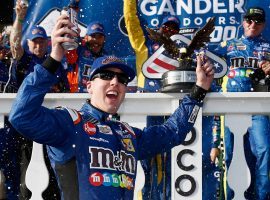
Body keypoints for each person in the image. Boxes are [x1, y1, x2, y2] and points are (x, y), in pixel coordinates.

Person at [8, 13, 214, 199]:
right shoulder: (70, 124)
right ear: (88, 86)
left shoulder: (128, 135)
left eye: (122, 79)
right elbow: (21, 116)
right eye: (106, 76)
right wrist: (53, 60)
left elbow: (173, 133)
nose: (115, 82)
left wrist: (198, 92)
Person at [210, 7, 270, 200]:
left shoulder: (268, 48)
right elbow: (200, 54)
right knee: (231, 157)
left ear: (264, 25)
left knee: (263, 152)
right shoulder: (228, 45)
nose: (253, 24)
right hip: (231, 107)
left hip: (257, 107)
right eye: (250, 20)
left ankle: (261, 197)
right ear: (243, 21)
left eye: (258, 21)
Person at [66, 21, 106, 92]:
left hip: (96, 96)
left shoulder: (107, 57)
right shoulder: (78, 50)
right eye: (93, 36)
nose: (96, 40)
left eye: (99, 37)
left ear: (104, 39)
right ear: (86, 37)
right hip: (75, 96)